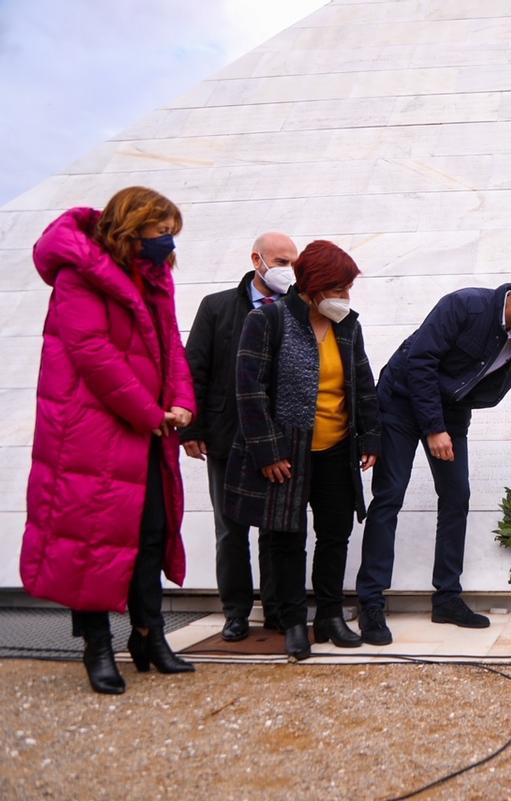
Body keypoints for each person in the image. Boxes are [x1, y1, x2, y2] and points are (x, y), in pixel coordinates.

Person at [21, 187, 197, 694]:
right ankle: (97, 646)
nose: (167, 242)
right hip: (91, 434)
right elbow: (92, 353)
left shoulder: (154, 278)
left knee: (149, 532)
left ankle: (149, 634)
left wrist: (181, 402)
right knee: (92, 540)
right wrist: (150, 412)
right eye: (161, 232)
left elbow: (171, 345)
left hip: (146, 428)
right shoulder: (79, 277)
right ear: (132, 226)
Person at [355, 273, 511, 643]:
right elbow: (420, 361)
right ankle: (371, 602)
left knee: (456, 498)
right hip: (401, 402)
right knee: (390, 495)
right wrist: (434, 428)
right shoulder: (464, 306)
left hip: (451, 412)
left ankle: (447, 598)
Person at [224, 240, 380, 661]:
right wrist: (268, 451)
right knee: (285, 539)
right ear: (312, 287)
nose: (345, 298)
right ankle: (293, 622)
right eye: (339, 289)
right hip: (287, 451)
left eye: (348, 289)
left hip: (336, 448)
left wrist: (369, 438)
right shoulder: (269, 320)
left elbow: (362, 384)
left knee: (335, 534)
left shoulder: (348, 326)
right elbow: (249, 389)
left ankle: (330, 615)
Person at [181, 232, 298, 642]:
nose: (288, 270)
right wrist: (191, 428)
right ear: (257, 259)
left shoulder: (293, 310)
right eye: (280, 261)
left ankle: (276, 608)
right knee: (230, 528)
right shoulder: (216, 308)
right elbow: (193, 366)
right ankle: (235, 611)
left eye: (292, 263)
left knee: (273, 527)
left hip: (275, 437)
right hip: (224, 436)